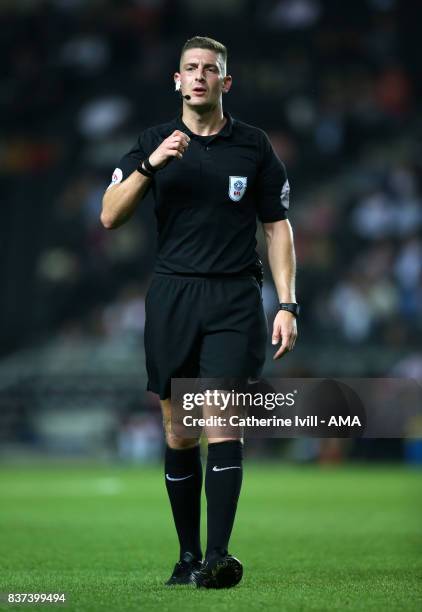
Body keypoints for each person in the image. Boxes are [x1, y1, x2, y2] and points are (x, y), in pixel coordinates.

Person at [101, 36, 298, 589]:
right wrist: (149, 164)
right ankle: (186, 556)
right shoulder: (150, 142)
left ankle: (218, 556)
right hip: (173, 296)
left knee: (223, 422)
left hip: (234, 296)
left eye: (211, 69)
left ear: (225, 83)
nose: (199, 76)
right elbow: (109, 217)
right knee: (180, 430)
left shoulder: (254, 147)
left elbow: (277, 227)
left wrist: (287, 303)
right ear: (176, 80)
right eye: (190, 67)